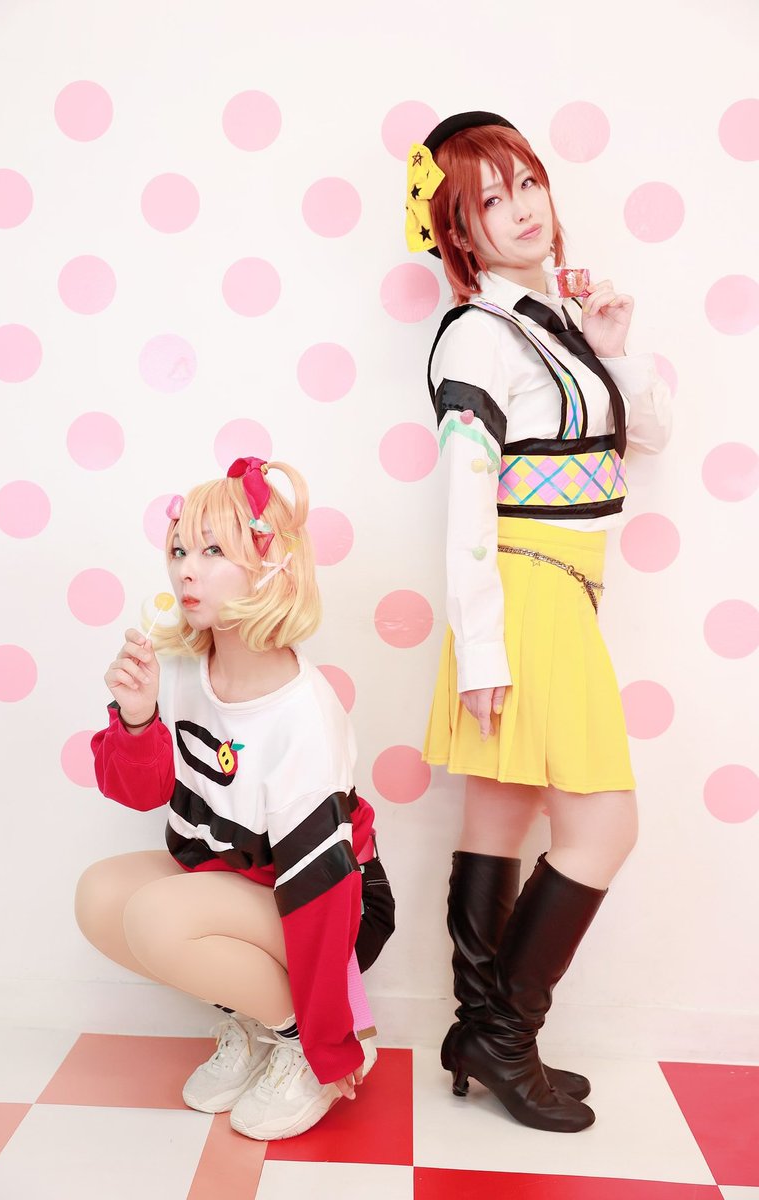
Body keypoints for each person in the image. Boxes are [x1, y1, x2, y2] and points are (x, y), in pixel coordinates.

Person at [406, 112, 671, 1132]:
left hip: (560, 589)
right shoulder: (476, 334)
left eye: (527, 182)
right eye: (489, 198)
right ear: (458, 232)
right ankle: (504, 1036)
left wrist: (612, 350)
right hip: (526, 592)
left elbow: (648, 437)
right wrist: (481, 647)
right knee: (606, 825)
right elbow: (467, 502)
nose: (521, 209)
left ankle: (482, 1029)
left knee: (499, 814)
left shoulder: (553, 320)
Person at [75, 457, 395, 1141]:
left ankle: (307, 1043)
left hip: (332, 903)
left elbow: (320, 887)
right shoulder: (181, 667)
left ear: (271, 564)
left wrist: (329, 1038)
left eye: (213, 551)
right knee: (99, 897)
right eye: (179, 550)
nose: (186, 571)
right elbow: (139, 793)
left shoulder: (304, 715)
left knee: (158, 916)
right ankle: (255, 1023)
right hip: (234, 877)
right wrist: (137, 718)